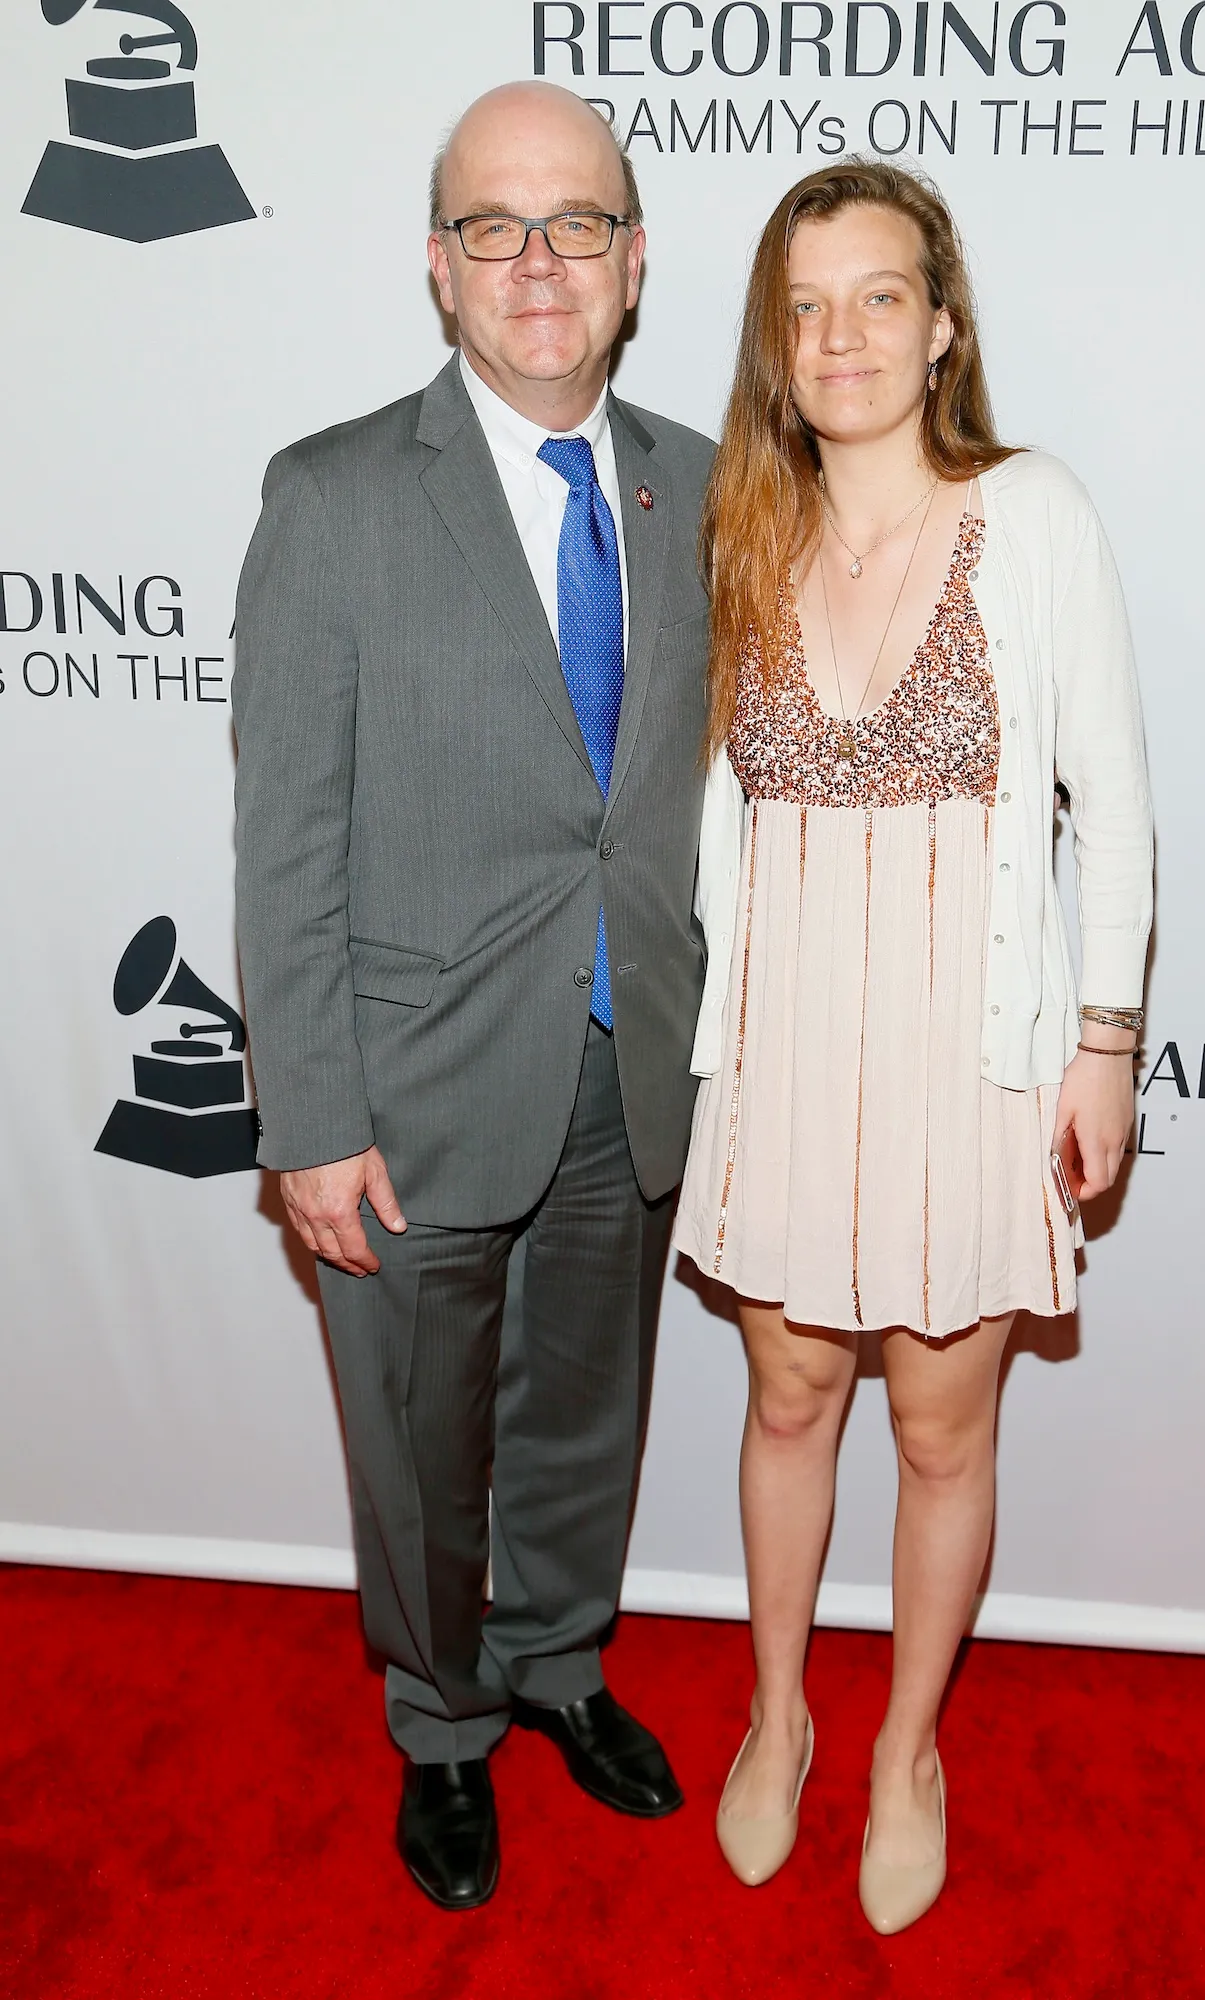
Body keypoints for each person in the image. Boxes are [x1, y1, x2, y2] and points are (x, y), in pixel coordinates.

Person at [232, 82, 714, 1912]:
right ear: (438, 266)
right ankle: (442, 1723)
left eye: (577, 223)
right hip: (413, 1088)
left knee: (587, 1413)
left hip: (629, 1066)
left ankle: (562, 1664)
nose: (539, 262)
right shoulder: (337, 494)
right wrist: (313, 1122)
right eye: (495, 227)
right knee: (423, 1445)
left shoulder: (700, 488)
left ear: (635, 260)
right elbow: (286, 839)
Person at [675, 160, 1153, 1935]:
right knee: (788, 1396)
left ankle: (907, 1752)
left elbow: (1114, 797)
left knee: (945, 1441)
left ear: (942, 325)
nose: (841, 336)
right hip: (790, 1048)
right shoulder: (740, 525)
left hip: (970, 1060)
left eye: (879, 296)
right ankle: (781, 1715)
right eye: (806, 307)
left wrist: (1101, 1037)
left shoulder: (1033, 513)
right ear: (773, 346)